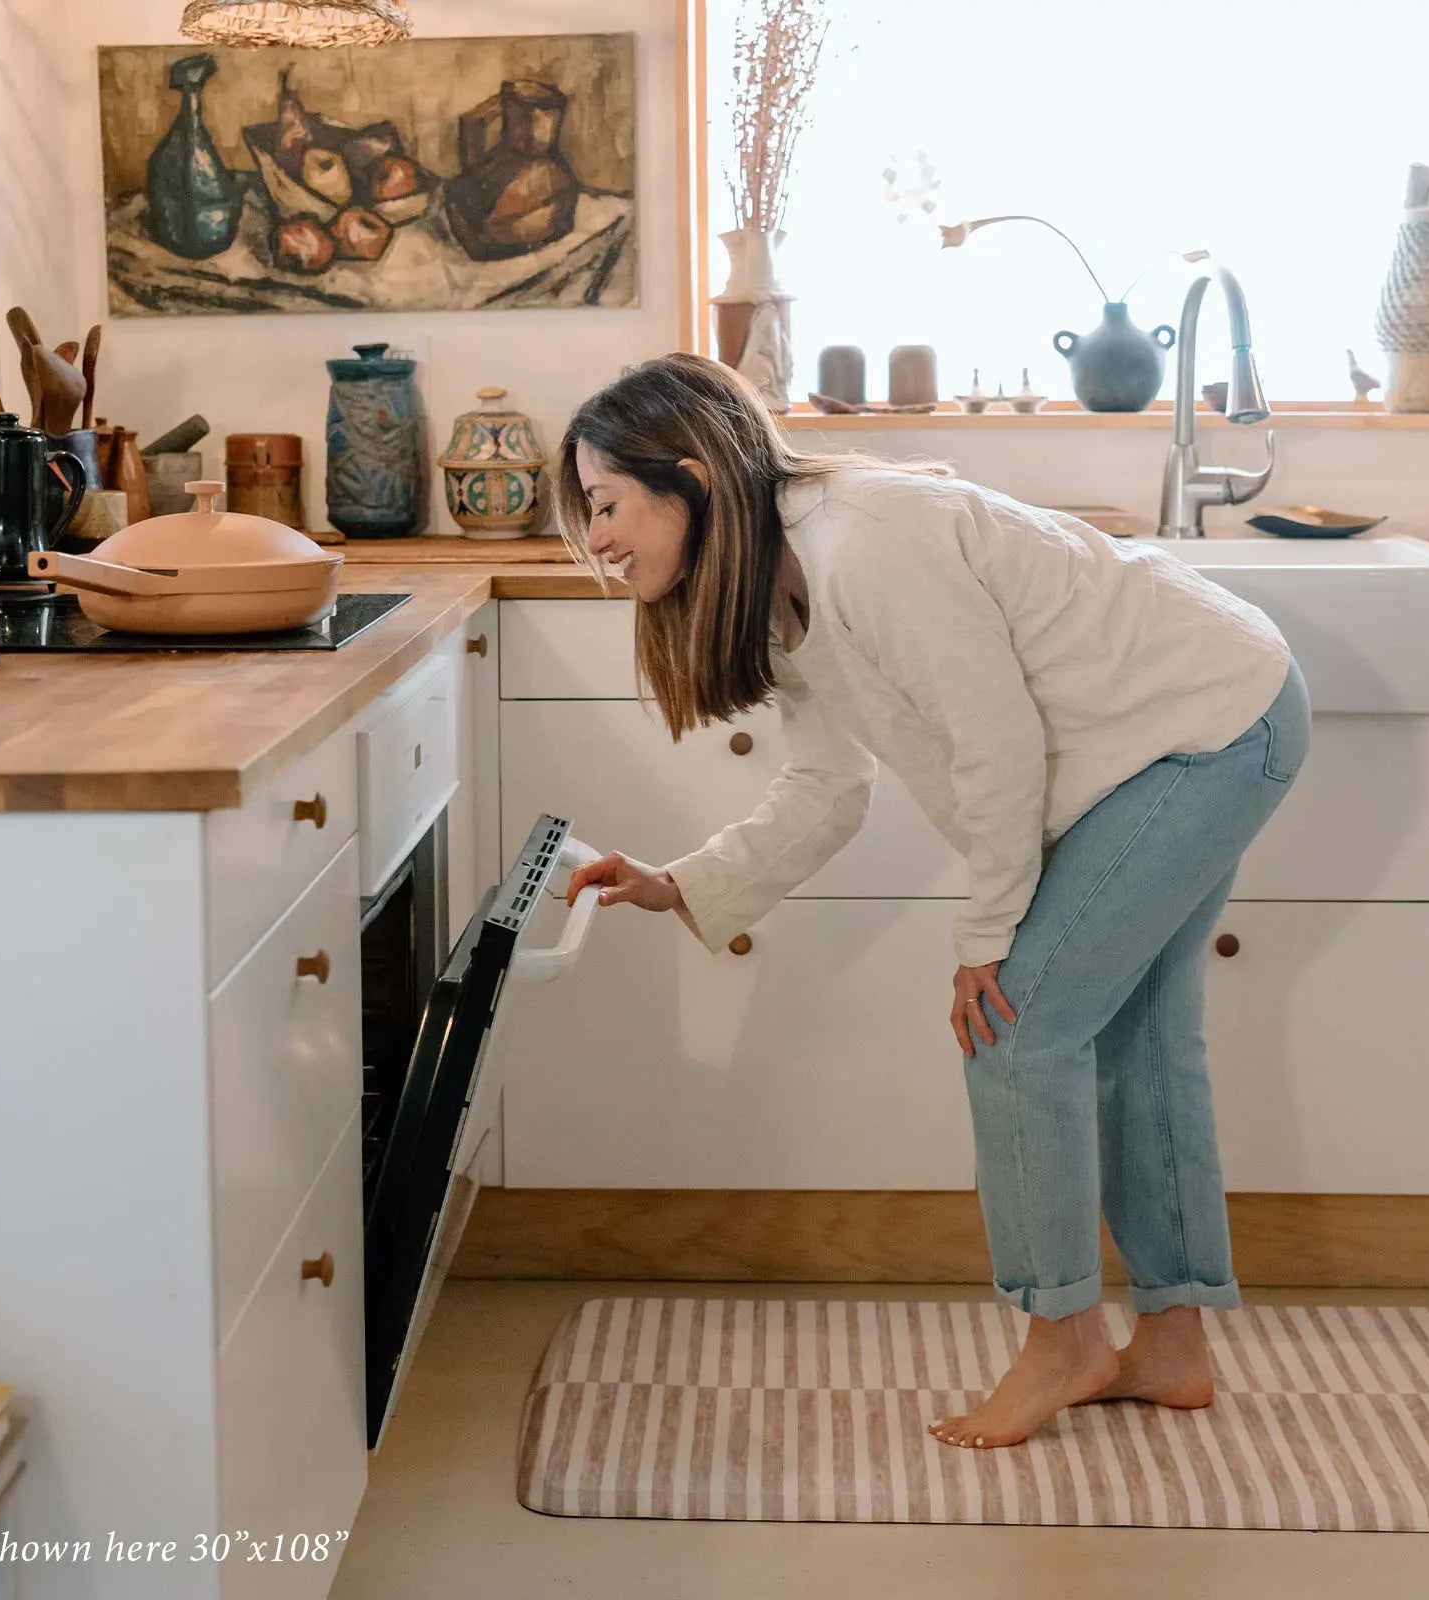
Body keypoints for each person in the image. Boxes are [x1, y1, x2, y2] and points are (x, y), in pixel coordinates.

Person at [555, 352, 1310, 1450]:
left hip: (1207, 722)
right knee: (1136, 1040)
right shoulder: (776, 583)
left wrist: (985, 940)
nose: (598, 539)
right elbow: (826, 784)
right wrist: (685, 883)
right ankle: (1171, 1348)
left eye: (607, 504)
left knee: (1014, 1029)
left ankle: (1062, 1343)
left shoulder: (867, 539)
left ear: (691, 478)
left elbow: (993, 739)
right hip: (1168, 736)